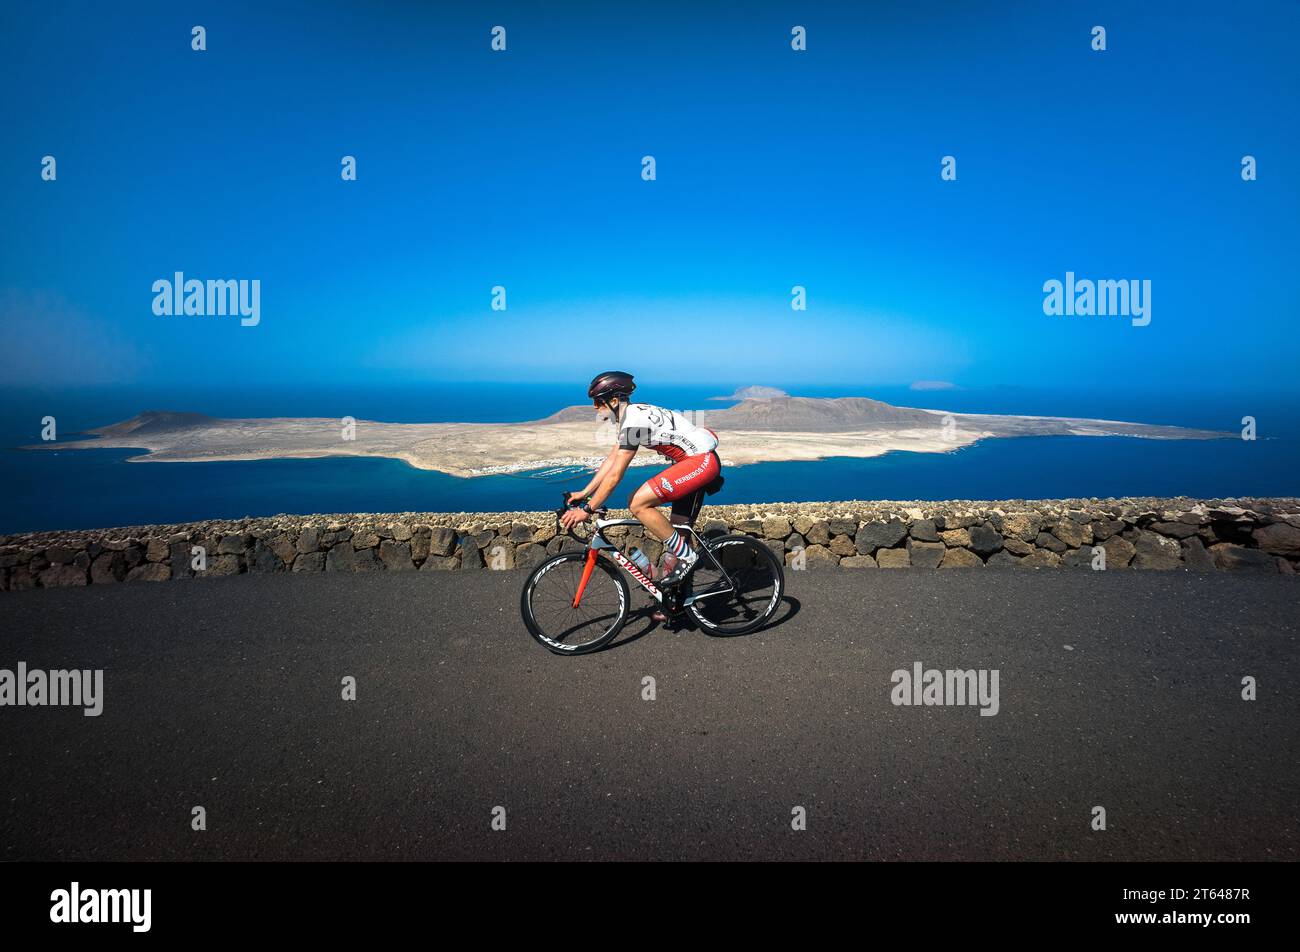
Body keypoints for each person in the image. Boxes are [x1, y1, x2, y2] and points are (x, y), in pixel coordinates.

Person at [560, 370, 721, 588]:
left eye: (598, 402)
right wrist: (585, 492)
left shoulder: (633, 422)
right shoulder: (630, 415)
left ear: (614, 400)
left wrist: (587, 509)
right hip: (690, 463)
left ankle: (687, 557)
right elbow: (612, 460)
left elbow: (616, 475)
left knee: (637, 502)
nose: (595, 407)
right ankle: (676, 603)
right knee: (677, 534)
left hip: (699, 462)